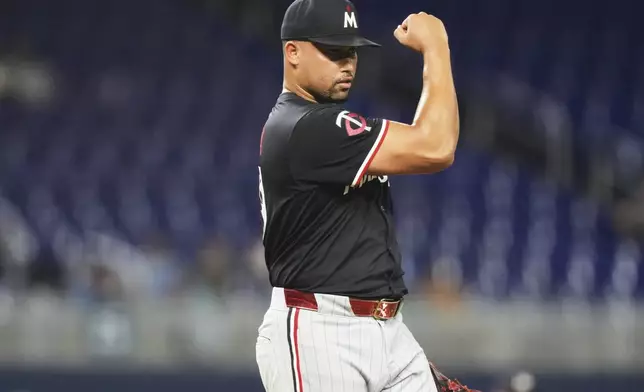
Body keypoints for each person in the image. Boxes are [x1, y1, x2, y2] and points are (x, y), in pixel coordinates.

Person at [256, 0, 476, 391]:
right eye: (333, 50)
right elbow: (436, 145)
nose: (347, 63)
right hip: (320, 334)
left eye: (351, 51)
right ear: (292, 52)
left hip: (386, 326)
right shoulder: (306, 126)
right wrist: (436, 46)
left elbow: (429, 139)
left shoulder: (323, 124)